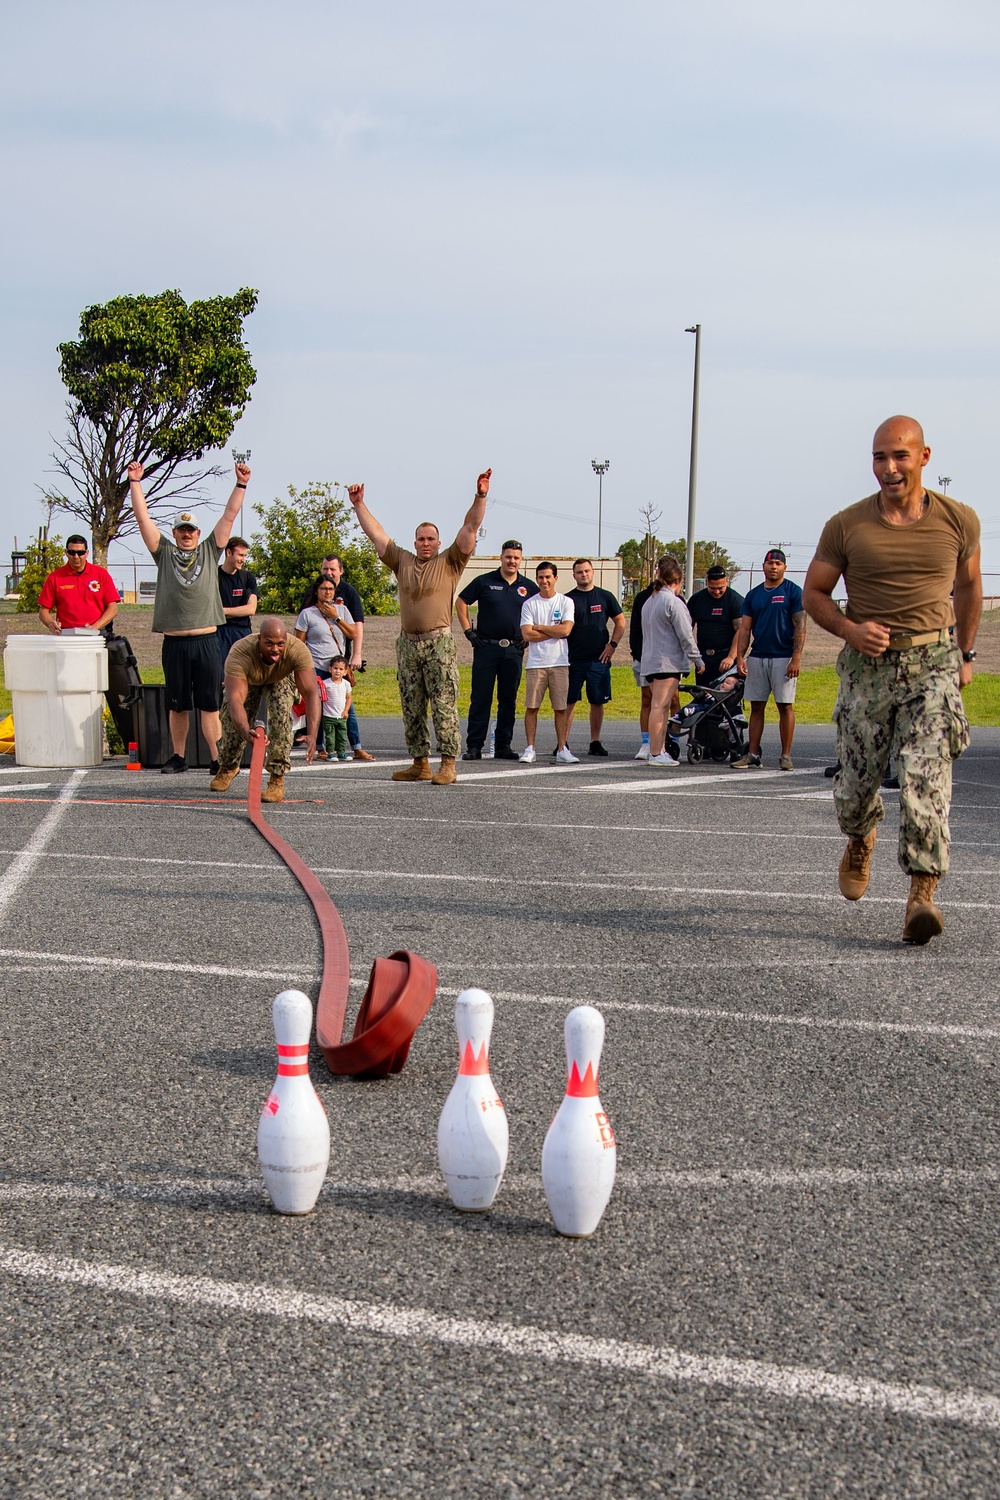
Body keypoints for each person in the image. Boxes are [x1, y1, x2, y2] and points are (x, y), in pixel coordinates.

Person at [802, 414, 981, 945]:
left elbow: (968, 587)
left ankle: (921, 897)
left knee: (925, 781)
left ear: (924, 457)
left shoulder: (959, 520)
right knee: (857, 785)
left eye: (900, 455)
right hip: (867, 671)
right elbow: (814, 593)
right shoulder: (846, 525)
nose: (889, 467)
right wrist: (850, 630)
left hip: (933, 666)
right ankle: (860, 838)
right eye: (880, 456)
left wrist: (964, 653)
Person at [346, 470, 491, 785]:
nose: (426, 543)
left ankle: (448, 764)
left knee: (442, 703)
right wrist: (359, 505)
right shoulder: (403, 561)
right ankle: (420, 763)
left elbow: (471, 526)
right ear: (415, 542)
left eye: (430, 539)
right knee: (411, 705)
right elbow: (378, 535)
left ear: (439, 543)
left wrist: (480, 496)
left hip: (438, 644)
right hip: (408, 644)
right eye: (421, 539)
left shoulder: (451, 561)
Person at [128, 457, 249, 775]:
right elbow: (143, 521)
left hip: (208, 641)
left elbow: (229, 515)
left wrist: (241, 483)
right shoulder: (164, 552)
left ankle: (217, 758)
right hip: (175, 643)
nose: (186, 534)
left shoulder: (210, 550)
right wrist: (135, 483)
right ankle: (179, 757)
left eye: (191, 530)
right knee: (177, 704)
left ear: (197, 533)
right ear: (175, 532)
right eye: (181, 529)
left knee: (210, 704)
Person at [210, 617, 321, 803]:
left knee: (281, 717)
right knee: (231, 722)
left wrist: (313, 734)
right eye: (269, 643)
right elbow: (235, 700)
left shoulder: (297, 650)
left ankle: (276, 778)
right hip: (249, 680)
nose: (275, 649)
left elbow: (311, 693)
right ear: (259, 639)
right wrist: (245, 730)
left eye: (280, 644)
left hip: (280, 679)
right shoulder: (240, 652)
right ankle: (228, 767)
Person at [455, 539, 538, 760]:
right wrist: (468, 631)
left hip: (513, 650)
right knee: (481, 698)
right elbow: (461, 602)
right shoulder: (484, 581)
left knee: (508, 699)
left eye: (516, 558)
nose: (512, 561)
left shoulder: (529, 587)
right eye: (508, 557)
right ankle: (474, 746)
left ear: (521, 560)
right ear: (501, 557)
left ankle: (503, 745)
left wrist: (529, 636)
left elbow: (543, 609)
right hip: (486, 648)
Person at [731, 549, 805, 770]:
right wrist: (740, 657)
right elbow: (745, 629)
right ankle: (752, 753)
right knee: (757, 706)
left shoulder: (793, 591)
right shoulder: (754, 595)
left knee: (785, 706)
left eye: (778, 564)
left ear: (784, 567)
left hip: (783, 657)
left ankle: (785, 755)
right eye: (770, 563)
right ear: (763, 566)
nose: (774, 567)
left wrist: (796, 658)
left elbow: (800, 626)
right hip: (759, 656)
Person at [300, 564, 374, 760]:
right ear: (316, 591)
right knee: (319, 709)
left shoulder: (342, 609)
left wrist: (336, 617)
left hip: (338, 668)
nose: (327, 592)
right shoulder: (307, 614)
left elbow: (354, 633)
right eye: (324, 589)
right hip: (316, 667)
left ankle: (356, 747)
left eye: (331, 589)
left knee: (347, 708)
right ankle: (322, 747)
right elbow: (298, 643)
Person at [640, 556, 705, 767]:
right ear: (677, 581)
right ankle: (656, 753)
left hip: (649, 661)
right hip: (666, 662)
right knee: (660, 706)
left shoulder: (649, 601)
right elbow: (685, 635)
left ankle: (658, 749)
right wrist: (698, 659)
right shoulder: (673, 602)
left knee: (658, 706)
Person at [565, 559, 626, 756]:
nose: (584, 575)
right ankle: (562, 742)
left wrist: (612, 646)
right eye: (579, 572)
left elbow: (620, 622)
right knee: (568, 701)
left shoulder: (605, 597)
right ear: (574, 575)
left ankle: (595, 741)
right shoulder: (567, 599)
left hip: (599, 660)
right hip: (572, 660)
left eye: (587, 571)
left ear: (593, 573)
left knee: (597, 701)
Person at [518, 563, 576, 763]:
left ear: (556, 578)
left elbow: (565, 631)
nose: (544, 581)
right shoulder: (529, 604)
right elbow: (527, 634)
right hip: (536, 663)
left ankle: (562, 748)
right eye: (541, 577)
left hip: (559, 662)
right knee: (532, 707)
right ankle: (530, 748)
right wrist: (553, 630)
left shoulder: (566, 602)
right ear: (537, 579)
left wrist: (541, 628)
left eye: (548, 577)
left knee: (560, 708)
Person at [38, 536, 119, 634]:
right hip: (66, 634)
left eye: (80, 553)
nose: (76, 556)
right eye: (72, 552)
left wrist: (95, 627)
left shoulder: (101, 574)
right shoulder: (55, 577)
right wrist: (51, 623)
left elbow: (113, 608)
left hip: (97, 633)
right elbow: (43, 611)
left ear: (87, 553)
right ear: (66, 553)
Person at [686, 565, 744, 687]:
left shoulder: (735, 600)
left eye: (720, 588)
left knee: (723, 697)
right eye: (712, 588)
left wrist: (731, 657)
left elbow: (741, 631)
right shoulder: (696, 600)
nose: (717, 592)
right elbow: (687, 628)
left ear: (727, 582)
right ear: (706, 582)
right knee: (703, 696)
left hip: (725, 658)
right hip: (703, 658)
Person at [217, 537, 258, 664]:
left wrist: (222, 611)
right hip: (219, 633)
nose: (243, 560)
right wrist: (239, 610)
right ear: (229, 553)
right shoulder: (213, 576)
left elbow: (251, 609)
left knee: (244, 674)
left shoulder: (247, 578)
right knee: (220, 676)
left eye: (245, 556)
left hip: (242, 632)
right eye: (240, 555)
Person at [628, 578, 655, 759]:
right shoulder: (642, 598)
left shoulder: (677, 598)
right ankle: (646, 743)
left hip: (668, 660)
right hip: (645, 657)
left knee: (672, 701)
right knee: (647, 699)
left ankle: (672, 743)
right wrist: (639, 654)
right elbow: (635, 629)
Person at [319, 655, 352, 761]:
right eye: (335, 668)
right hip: (329, 716)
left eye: (341, 669)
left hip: (341, 716)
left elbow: (349, 698)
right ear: (330, 669)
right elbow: (319, 697)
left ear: (345, 671)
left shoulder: (346, 684)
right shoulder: (325, 683)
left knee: (342, 736)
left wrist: (346, 710)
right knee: (330, 736)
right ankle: (331, 753)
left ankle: (341, 752)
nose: (338, 671)